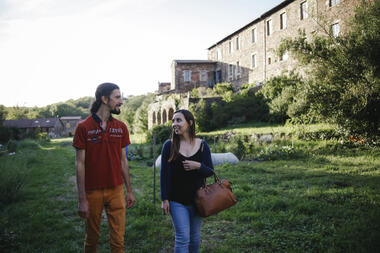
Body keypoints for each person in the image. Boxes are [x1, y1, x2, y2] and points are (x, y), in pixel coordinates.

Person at [72, 82, 135, 253]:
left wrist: (128, 190)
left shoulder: (121, 127)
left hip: (116, 191)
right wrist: (82, 199)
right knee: (92, 240)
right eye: (117, 97)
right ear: (104, 99)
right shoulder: (83, 127)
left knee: (118, 241)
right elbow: (80, 164)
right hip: (92, 192)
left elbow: (123, 161)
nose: (121, 101)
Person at [160, 109, 214, 253]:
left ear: (190, 123)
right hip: (176, 200)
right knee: (183, 238)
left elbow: (210, 171)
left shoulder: (202, 145)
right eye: (173, 121)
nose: (174, 124)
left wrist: (198, 166)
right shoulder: (168, 146)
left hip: (197, 199)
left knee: (195, 237)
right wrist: (164, 199)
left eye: (178, 120)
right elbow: (164, 175)